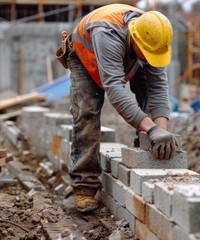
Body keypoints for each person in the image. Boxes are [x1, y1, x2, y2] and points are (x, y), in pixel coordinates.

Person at [59, 3, 177, 213]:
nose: (152, 59)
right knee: (87, 112)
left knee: (150, 105)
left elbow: (158, 87)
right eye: (147, 53)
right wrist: (151, 129)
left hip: (129, 54)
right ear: (135, 39)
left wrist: (161, 129)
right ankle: (84, 186)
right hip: (86, 57)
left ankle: (146, 155)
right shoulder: (108, 34)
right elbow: (115, 88)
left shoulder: (153, 36)